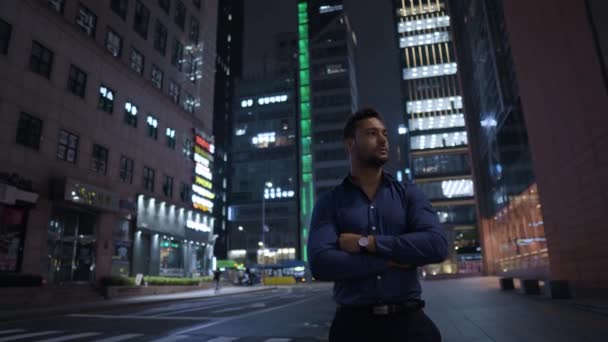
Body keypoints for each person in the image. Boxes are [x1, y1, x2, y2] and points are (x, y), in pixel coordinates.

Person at [308, 108, 448, 342]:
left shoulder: (408, 194)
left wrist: (369, 243)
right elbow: (321, 263)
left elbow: (436, 245)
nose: (383, 140)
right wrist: (392, 258)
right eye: (372, 133)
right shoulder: (329, 202)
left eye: (384, 133)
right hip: (353, 328)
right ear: (350, 144)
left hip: (409, 323)